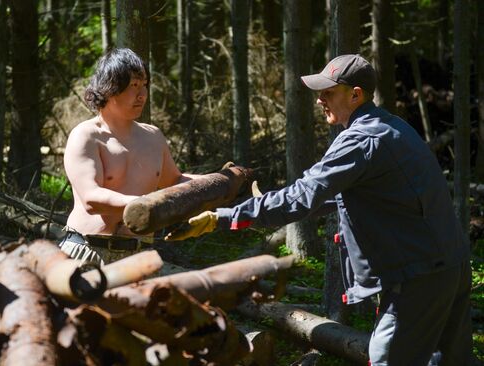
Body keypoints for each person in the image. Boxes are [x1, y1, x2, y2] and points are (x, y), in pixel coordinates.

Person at [166, 54, 472, 365]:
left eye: (328, 92)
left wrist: (223, 217)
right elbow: (338, 196)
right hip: (450, 264)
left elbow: (302, 197)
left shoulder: (360, 140)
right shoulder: (390, 127)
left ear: (356, 94)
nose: (320, 100)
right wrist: (263, 204)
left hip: (418, 277)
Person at [60, 48, 198, 265]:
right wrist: (148, 204)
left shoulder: (153, 136)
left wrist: (219, 181)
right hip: (87, 252)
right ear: (110, 87)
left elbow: (175, 180)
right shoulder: (86, 135)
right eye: (134, 85)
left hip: (140, 256)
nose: (142, 94)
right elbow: (91, 199)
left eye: (144, 85)